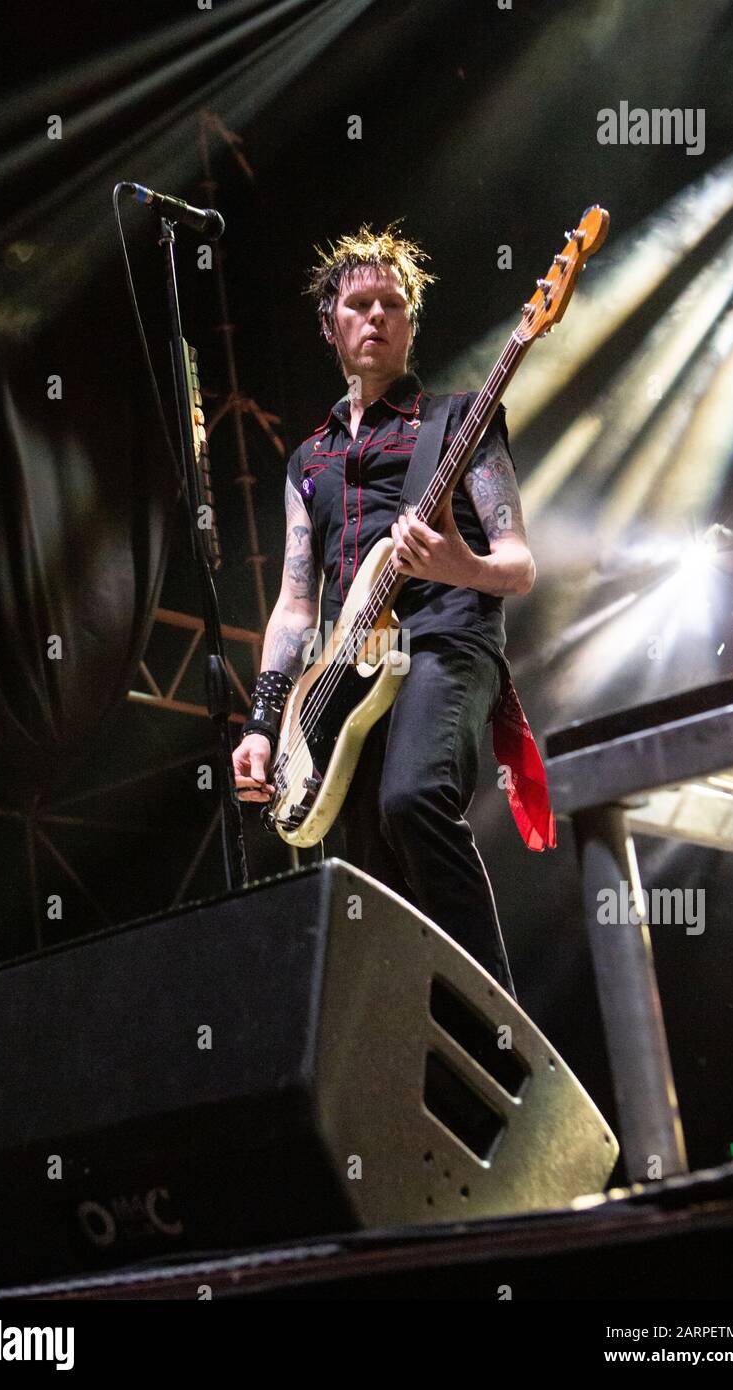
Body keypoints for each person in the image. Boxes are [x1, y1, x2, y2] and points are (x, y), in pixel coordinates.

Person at [232, 223, 536, 997]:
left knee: (413, 797)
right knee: (370, 887)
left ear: (411, 323)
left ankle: (500, 1024)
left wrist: (460, 565)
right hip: (346, 676)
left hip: (445, 640)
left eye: (391, 305)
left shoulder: (459, 421)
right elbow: (295, 605)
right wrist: (264, 723)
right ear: (331, 322)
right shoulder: (309, 462)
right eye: (358, 304)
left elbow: (520, 565)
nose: (376, 317)